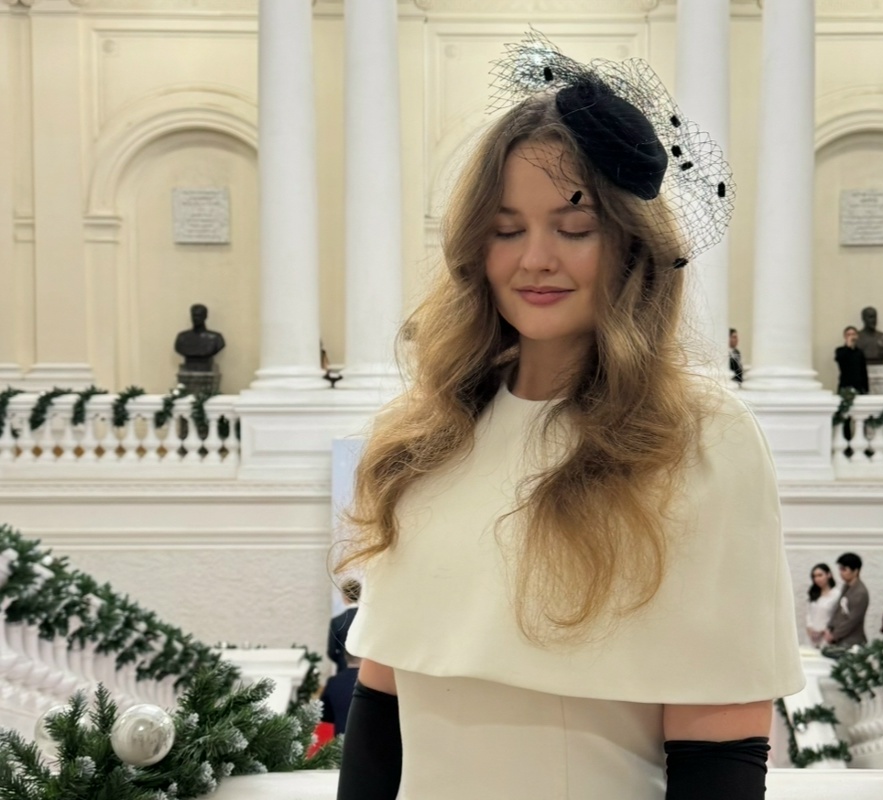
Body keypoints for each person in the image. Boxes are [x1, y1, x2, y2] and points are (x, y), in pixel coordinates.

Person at [334, 32, 803, 800]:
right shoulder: (429, 438)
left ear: (630, 244)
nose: (535, 259)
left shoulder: (700, 441)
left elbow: (719, 750)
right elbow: (381, 711)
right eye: (507, 229)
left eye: (574, 229)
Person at [825, 552, 869, 650]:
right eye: (840, 569)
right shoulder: (846, 587)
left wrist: (834, 635)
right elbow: (837, 609)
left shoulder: (860, 592)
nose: (841, 573)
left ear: (855, 571)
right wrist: (829, 627)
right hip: (840, 640)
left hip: (852, 642)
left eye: (844, 569)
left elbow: (852, 620)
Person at [321, 653, 361, 736]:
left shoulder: (333, 681)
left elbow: (325, 714)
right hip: (367, 739)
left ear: (345, 657)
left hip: (341, 738)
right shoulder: (371, 684)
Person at [327, 580, 361, 674]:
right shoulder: (367, 619)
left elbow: (331, 651)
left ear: (345, 596)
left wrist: (341, 661)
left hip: (344, 668)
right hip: (366, 669)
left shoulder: (337, 621)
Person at [806, 563, 840, 649]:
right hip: (811, 635)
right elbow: (809, 613)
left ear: (829, 575)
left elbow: (837, 617)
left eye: (820, 575)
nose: (817, 579)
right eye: (814, 576)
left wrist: (825, 630)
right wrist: (810, 628)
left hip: (826, 636)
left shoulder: (836, 595)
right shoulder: (814, 594)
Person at [835, 325, 869, 394]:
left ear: (857, 336)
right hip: (845, 386)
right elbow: (840, 360)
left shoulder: (860, 352)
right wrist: (848, 347)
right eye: (848, 335)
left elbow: (863, 371)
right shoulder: (840, 350)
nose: (851, 337)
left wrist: (866, 388)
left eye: (853, 334)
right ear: (845, 336)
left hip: (858, 387)